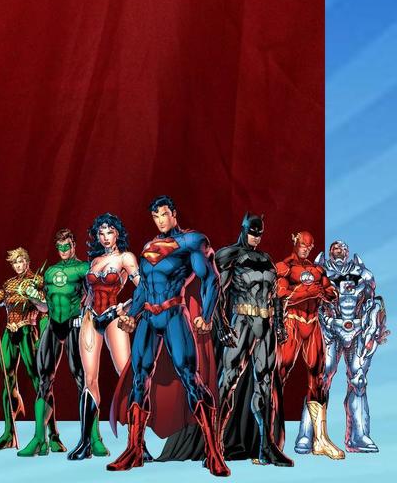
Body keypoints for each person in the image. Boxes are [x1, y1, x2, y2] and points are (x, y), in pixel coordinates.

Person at [106, 195, 227, 476]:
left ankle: (213, 451)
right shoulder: (148, 246)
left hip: (173, 314)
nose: (160, 220)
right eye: (155, 216)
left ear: (173, 213)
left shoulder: (191, 241)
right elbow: (143, 288)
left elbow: (210, 278)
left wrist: (206, 315)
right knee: (139, 378)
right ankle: (134, 450)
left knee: (190, 376)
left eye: (163, 214)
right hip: (149, 317)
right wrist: (132, 314)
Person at [212, 213, 291, 466]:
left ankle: (266, 447)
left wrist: (279, 324)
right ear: (244, 229)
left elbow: (275, 295)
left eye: (259, 234)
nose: (256, 237)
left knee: (265, 384)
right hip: (241, 322)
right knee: (228, 381)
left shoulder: (266, 259)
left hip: (265, 325)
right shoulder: (230, 256)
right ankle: (214, 446)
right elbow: (216, 292)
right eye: (252, 232)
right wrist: (222, 324)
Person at [0, 247, 65, 453]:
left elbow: (48, 309)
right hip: (10, 334)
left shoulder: (38, 281)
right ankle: (9, 434)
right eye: (15, 263)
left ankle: (53, 435)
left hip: (28, 332)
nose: (18, 265)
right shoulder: (9, 284)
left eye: (21, 261)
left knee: (40, 383)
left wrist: (42, 335)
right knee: (8, 381)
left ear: (27, 261)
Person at [18, 228, 88, 459]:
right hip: (52, 324)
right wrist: (33, 297)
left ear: (74, 245)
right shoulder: (50, 272)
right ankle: (40, 439)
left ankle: (91, 438)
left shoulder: (84, 268)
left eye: (67, 246)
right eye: (60, 247)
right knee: (44, 381)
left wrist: (86, 319)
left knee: (83, 380)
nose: (63, 250)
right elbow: (45, 306)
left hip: (75, 323)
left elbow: (93, 297)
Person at [76, 213, 139, 459]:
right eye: (101, 233)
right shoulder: (95, 260)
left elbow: (144, 288)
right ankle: (85, 442)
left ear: (117, 233)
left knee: (127, 375)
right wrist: (81, 311)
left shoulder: (126, 258)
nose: (105, 237)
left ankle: (137, 442)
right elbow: (89, 294)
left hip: (113, 317)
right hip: (91, 318)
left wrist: (126, 308)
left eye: (109, 232)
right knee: (89, 379)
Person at [319, 240, 388, 453]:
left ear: (348, 252)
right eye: (335, 248)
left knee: (358, 380)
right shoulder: (320, 271)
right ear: (330, 252)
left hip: (357, 329)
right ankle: (311, 434)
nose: (339, 251)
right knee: (321, 377)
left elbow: (373, 303)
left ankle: (358, 436)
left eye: (343, 249)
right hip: (330, 328)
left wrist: (375, 328)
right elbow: (313, 302)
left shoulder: (362, 273)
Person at [276, 230, 340, 458]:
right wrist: (307, 292)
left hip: (313, 324)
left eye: (309, 247)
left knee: (318, 379)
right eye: (303, 245)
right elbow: (281, 294)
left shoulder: (317, 270)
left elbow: (331, 293)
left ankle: (320, 439)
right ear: (295, 242)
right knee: (279, 374)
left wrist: (322, 292)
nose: (306, 249)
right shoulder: (284, 267)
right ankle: (272, 441)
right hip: (292, 322)